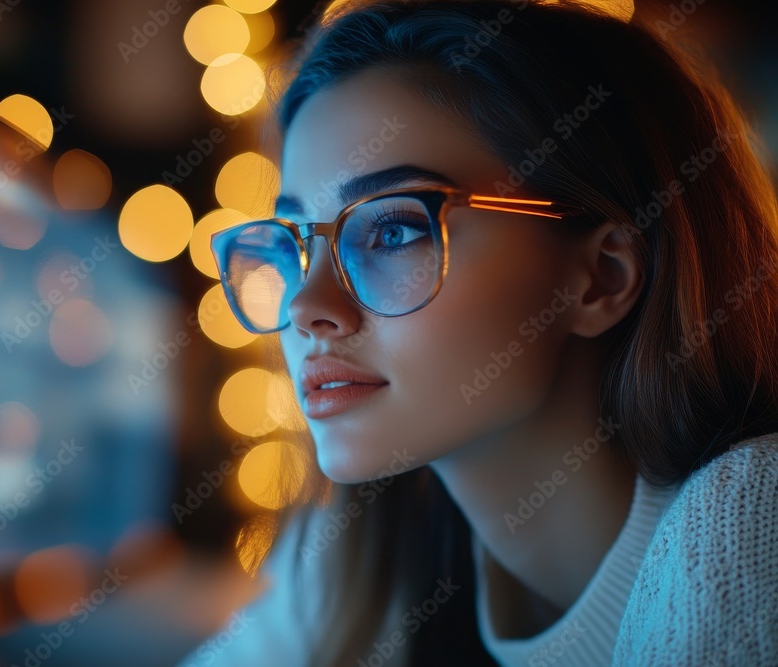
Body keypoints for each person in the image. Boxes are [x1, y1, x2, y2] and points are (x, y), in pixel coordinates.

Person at [179, 1, 778, 664]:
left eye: (392, 229)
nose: (307, 306)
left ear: (602, 276)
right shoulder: (360, 563)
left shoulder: (751, 520)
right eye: (295, 242)